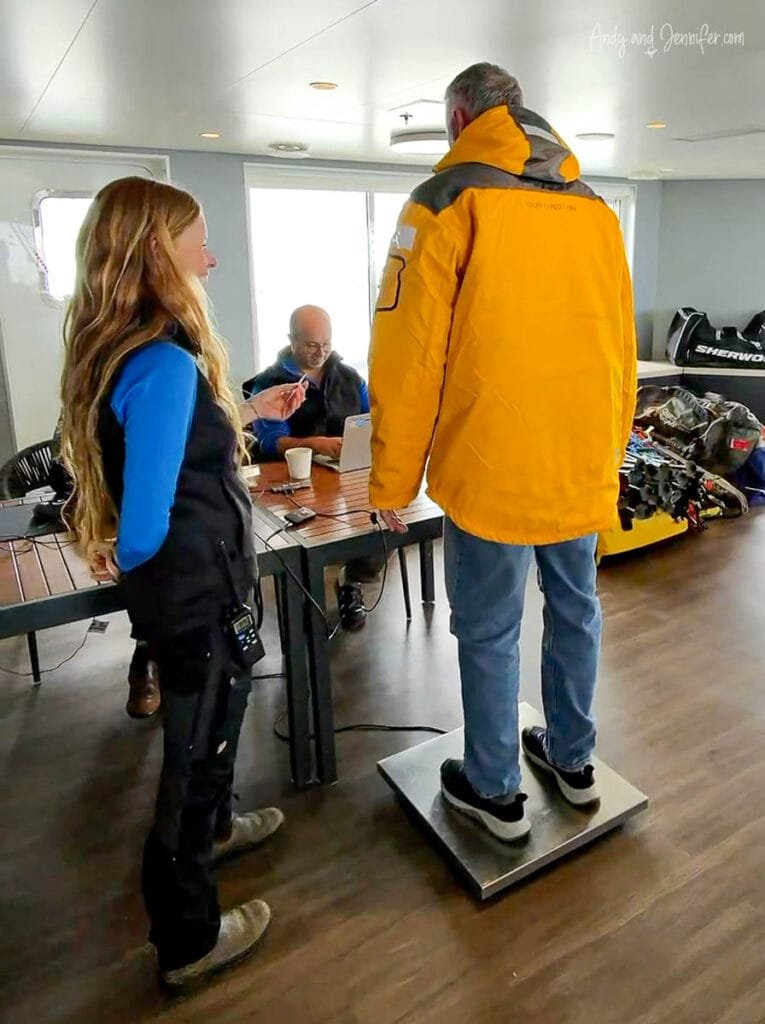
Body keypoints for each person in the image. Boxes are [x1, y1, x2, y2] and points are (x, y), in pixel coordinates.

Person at [369, 63, 637, 841]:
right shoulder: (595, 210)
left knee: (488, 630)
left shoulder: (442, 200)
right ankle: (573, 761)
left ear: (459, 119)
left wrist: (392, 481)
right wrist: (608, 452)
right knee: (575, 612)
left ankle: (493, 790)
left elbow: (408, 356)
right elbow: (619, 348)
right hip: (578, 463)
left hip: (491, 465)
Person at [60, 176, 306, 988]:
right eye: (199, 241)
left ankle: (221, 828)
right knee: (192, 763)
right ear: (158, 253)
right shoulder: (163, 362)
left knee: (211, 743)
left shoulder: (132, 350)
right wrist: (145, 571)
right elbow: (143, 527)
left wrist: (247, 409)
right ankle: (188, 938)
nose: (211, 258)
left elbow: (168, 448)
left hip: (189, 596)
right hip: (196, 600)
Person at [243, 305, 383, 631]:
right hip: (293, 486)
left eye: (326, 344)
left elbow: (371, 422)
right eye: (311, 345)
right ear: (292, 341)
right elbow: (270, 443)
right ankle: (301, 604)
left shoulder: (350, 379)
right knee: (302, 543)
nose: (321, 352)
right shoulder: (269, 384)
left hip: (348, 477)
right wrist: (316, 444)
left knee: (382, 523)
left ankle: (352, 582)